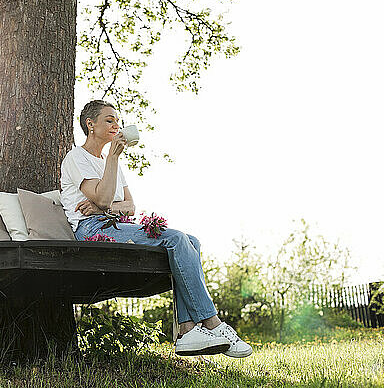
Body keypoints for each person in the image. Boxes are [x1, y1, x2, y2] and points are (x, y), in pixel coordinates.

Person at [60, 99, 252, 358]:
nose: (117, 125)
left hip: (114, 223)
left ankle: (186, 329)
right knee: (176, 239)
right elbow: (105, 199)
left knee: (191, 241)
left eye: (118, 120)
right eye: (109, 120)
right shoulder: (77, 158)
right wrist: (111, 172)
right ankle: (212, 324)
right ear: (90, 124)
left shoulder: (111, 162)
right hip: (92, 229)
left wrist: (105, 206)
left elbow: (129, 206)